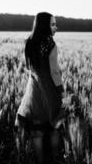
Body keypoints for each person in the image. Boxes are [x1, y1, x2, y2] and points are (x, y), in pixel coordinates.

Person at [15, 12, 65, 164]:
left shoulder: (29, 42)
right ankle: (54, 159)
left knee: (37, 130)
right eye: (52, 24)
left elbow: (30, 67)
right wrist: (63, 93)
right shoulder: (51, 45)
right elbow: (54, 72)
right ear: (44, 26)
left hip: (33, 90)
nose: (56, 27)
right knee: (55, 127)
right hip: (50, 90)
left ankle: (40, 161)